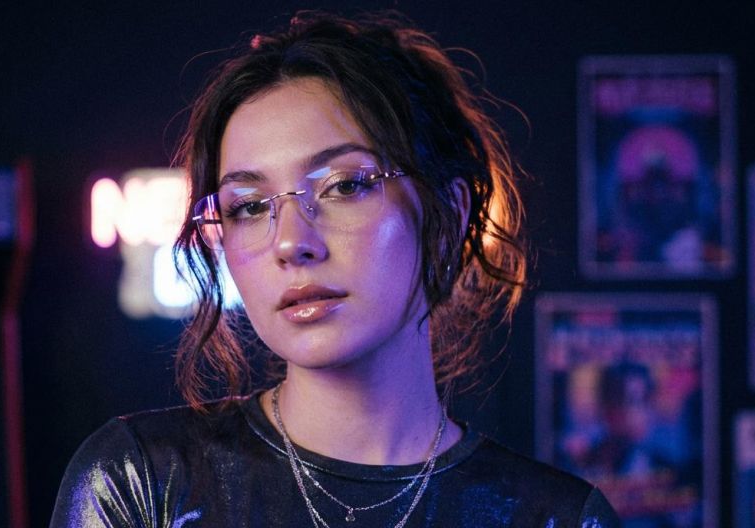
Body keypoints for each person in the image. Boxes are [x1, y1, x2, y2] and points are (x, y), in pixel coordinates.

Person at [52, 11, 620, 527]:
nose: (292, 242)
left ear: (447, 213)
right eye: (250, 206)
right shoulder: (141, 482)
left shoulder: (559, 519)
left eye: (345, 186)